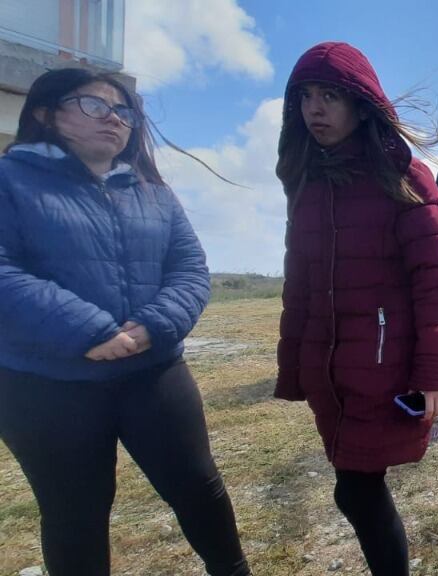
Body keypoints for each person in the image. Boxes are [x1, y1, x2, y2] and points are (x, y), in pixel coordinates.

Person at [0, 68, 249, 575]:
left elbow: (189, 268)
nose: (115, 119)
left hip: (153, 371)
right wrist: (88, 330)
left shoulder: (153, 191)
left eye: (124, 112)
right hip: (46, 383)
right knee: (75, 513)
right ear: (46, 114)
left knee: (198, 487)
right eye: (94, 105)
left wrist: (154, 325)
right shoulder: (9, 180)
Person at [275, 42, 438, 575]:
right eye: (306, 96)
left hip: (383, 368)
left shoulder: (405, 178)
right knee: (352, 487)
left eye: (330, 96)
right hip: (329, 369)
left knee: (357, 491)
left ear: (362, 104)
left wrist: (435, 375)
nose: (315, 109)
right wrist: (295, 370)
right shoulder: (307, 182)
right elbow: (300, 283)